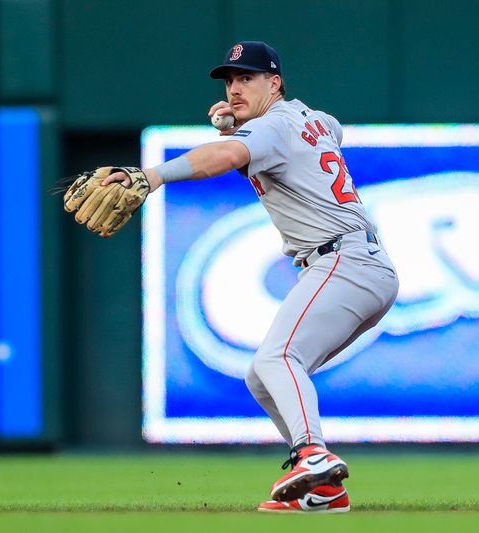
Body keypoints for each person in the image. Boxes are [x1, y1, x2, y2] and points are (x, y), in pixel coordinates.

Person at [104, 41, 398, 514]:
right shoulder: (312, 119)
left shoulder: (271, 126)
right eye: (231, 80)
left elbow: (221, 157)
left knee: (280, 356)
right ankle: (325, 488)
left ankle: (313, 456)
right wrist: (243, 126)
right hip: (363, 266)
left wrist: (153, 175)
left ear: (274, 82)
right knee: (262, 375)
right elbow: (329, 132)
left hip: (344, 263)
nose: (235, 88)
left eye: (248, 78)